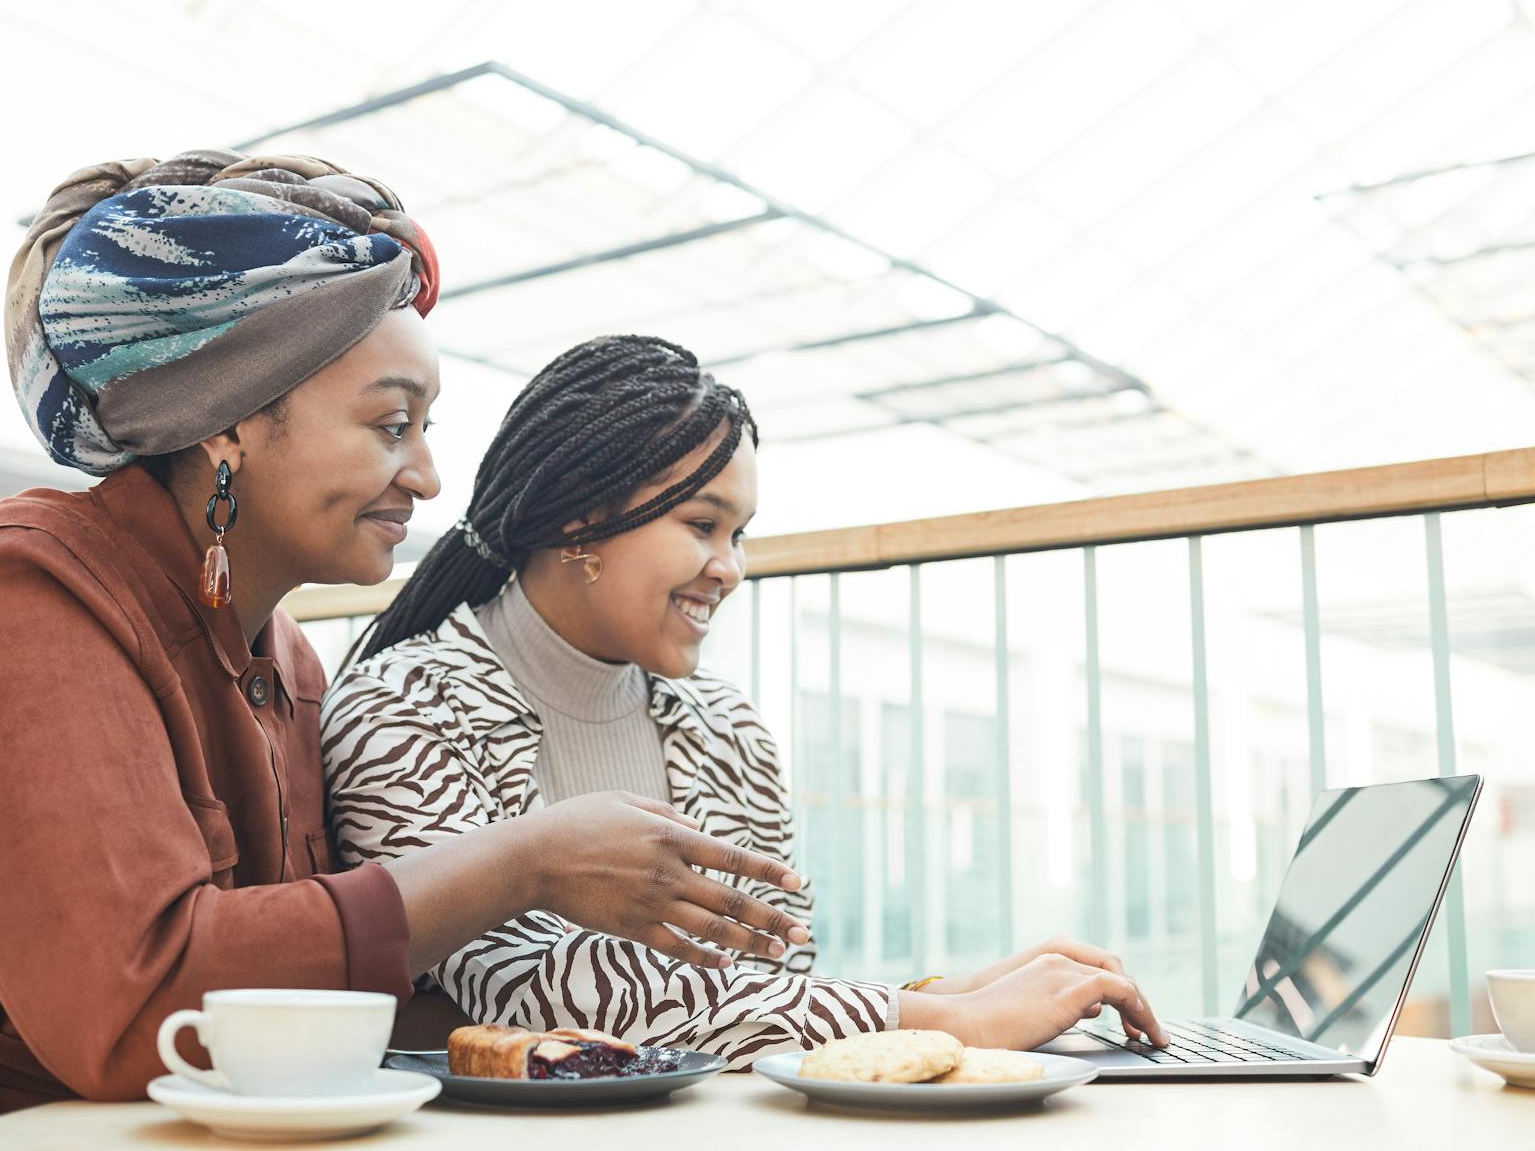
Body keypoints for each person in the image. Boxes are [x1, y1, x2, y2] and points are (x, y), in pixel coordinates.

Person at [0, 154, 805, 1149]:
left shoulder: (286, 657)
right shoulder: (23, 588)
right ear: (232, 419)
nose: (426, 475)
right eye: (391, 423)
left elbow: (299, 982)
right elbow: (127, 1005)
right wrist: (521, 861)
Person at [324, 334, 1168, 1066]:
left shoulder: (728, 732)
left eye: (740, 534)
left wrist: (958, 994)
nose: (730, 567)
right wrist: (951, 1021)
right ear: (578, 524)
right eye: (701, 525)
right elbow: (527, 988)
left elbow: (763, 999)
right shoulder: (401, 710)